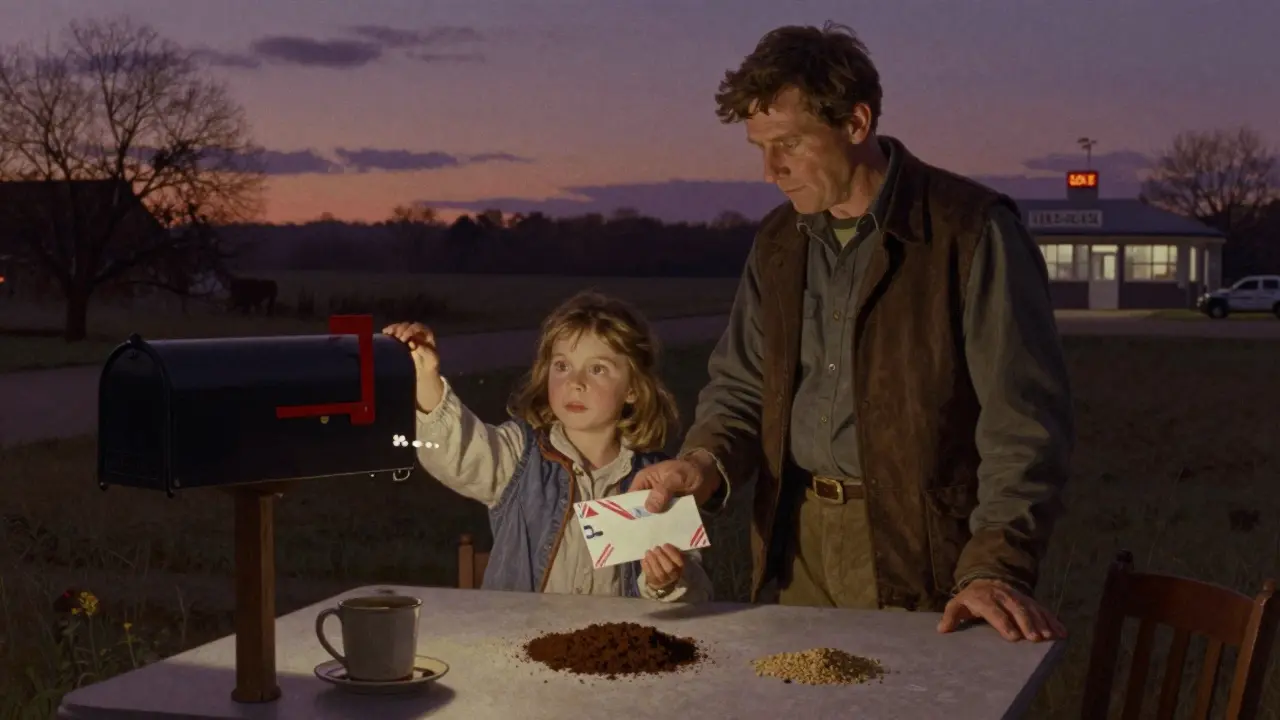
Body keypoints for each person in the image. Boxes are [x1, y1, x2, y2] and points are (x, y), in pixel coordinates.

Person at [632, 22, 1074, 641]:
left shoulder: (969, 232)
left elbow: (1022, 426)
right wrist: (701, 463)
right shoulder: (778, 243)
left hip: (924, 555)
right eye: (760, 147)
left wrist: (995, 567)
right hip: (795, 548)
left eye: (788, 143)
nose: (771, 170)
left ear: (856, 123)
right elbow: (740, 388)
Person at [383, 290, 713, 602]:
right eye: (562, 366)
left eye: (597, 369)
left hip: (618, 643)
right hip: (519, 639)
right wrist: (426, 379)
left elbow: (697, 594)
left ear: (633, 390)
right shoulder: (518, 455)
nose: (575, 382)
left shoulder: (658, 480)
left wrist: (667, 582)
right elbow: (457, 452)